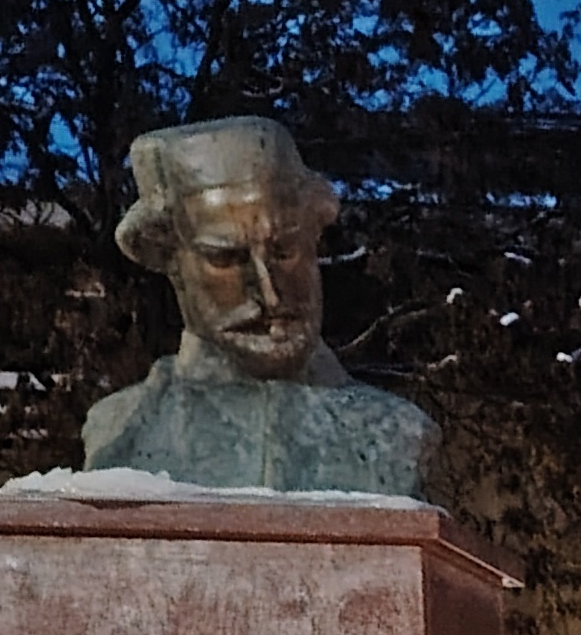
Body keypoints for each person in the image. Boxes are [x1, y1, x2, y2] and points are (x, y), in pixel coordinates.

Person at [80, 116, 434, 496]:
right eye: (226, 258)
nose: (270, 294)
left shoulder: (397, 432)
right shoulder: (121, 433)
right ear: (168, 258)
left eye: (284, 251)